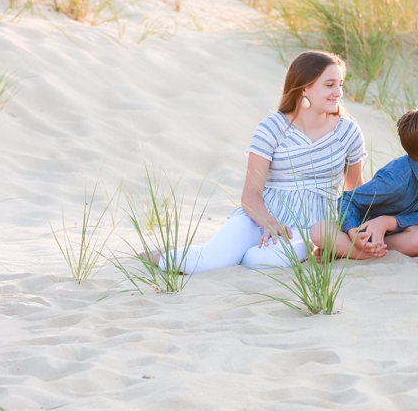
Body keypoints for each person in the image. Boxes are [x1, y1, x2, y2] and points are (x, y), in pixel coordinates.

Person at [154, 50, 371, 273]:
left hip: (309, 225)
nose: (338, 93)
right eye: (329, 85)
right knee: (206, 262)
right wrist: (270, 223)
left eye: (340, 84)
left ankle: (234, 254)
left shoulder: (348, 131)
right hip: (259, 216)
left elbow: (354, 189)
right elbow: (250, 194)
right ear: (304, 87)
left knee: (262, 262)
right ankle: (162, 255)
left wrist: (346, 234)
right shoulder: (272, 128)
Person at [337, 106, 418, 265]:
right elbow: (347, 199)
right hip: (366, 228)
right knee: (319, 232)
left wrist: (388, 222)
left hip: (398, 233)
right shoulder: (396, 179)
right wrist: (353, 232)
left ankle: (361, 250)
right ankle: (361, 247)